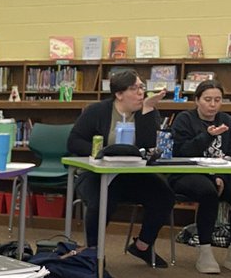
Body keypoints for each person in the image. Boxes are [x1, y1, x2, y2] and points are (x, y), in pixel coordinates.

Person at [68, 68, 175, 267]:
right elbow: (74, 142)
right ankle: (94, 253)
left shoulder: (147, 111)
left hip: (132, 175)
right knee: (103, 199)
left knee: (164, 195)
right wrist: (103, 151)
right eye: (134, 89)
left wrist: (147, 110)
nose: (140, 93)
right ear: (119, 94)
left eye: (142, 88)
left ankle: (143, 246)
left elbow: (148, 146)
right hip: (96, 173)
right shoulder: (97, 111)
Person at [169, 78, 231, 273]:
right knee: (208, 192)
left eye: (217, 100)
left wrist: (221, 175)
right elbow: (182, 152)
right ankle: (205, 251)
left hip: (222, 174)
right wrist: (208, 136)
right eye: (207, 99)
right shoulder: (185, 120)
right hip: (187, 172)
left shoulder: (229, 122)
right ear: (197, 100)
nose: (213, 104)